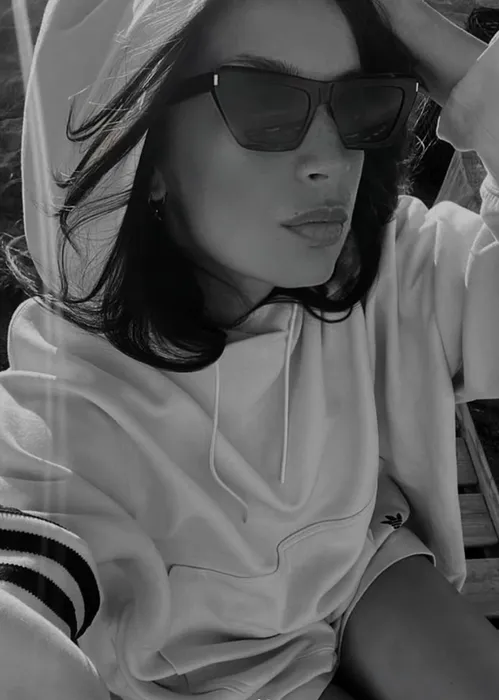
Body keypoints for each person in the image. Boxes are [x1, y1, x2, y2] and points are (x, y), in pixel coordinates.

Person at [1, 0, 499, 698]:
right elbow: (29, 567)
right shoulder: (67, 400)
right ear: (147, 151)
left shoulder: (388, 270)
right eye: (265, 105)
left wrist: (423, 35)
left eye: (359, 102)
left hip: (357, 570)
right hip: (189, 671)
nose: (330, 160)